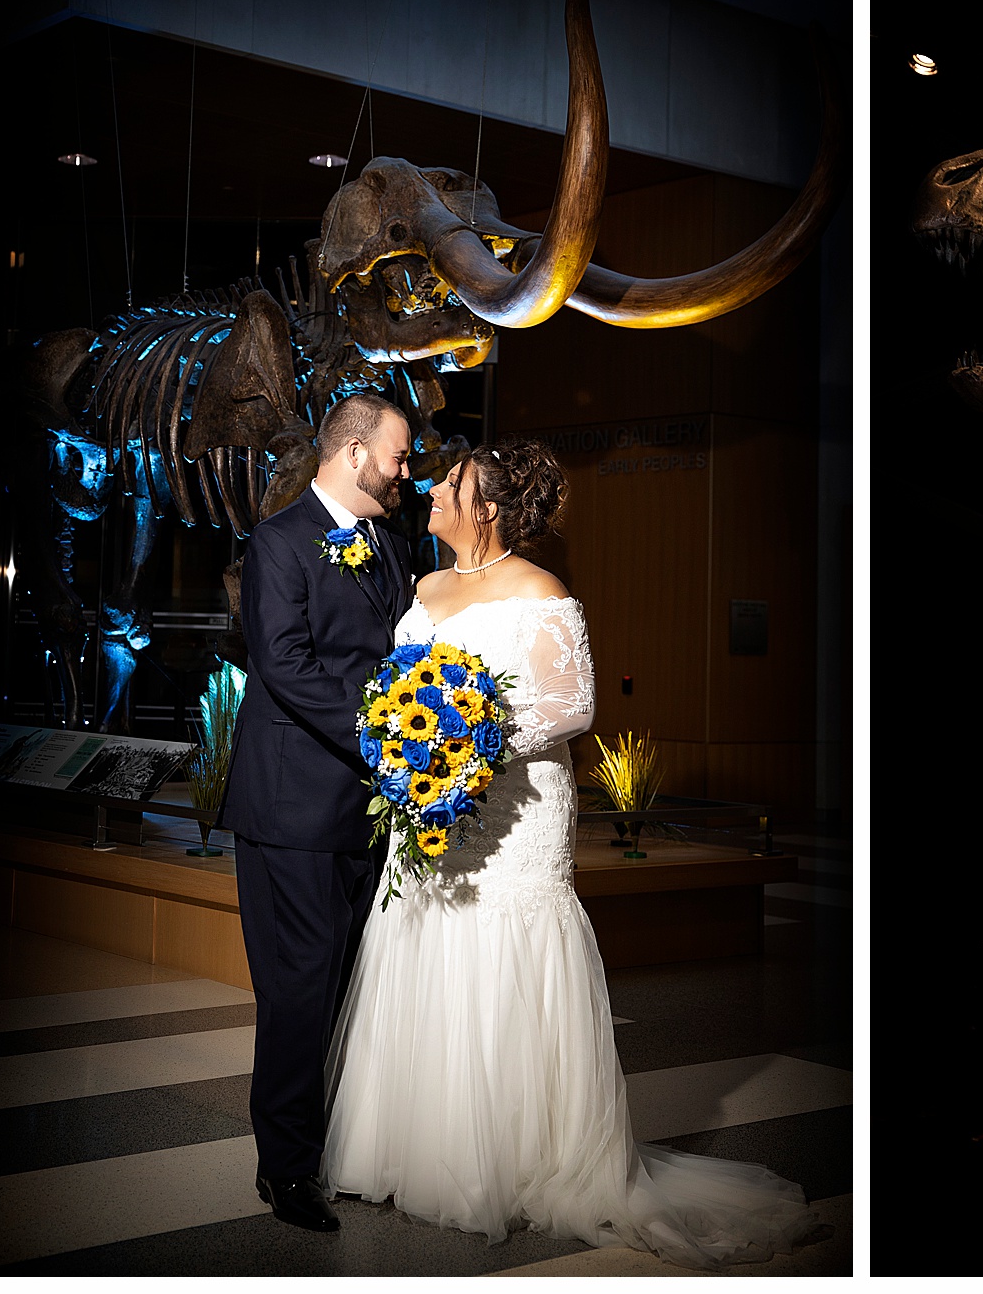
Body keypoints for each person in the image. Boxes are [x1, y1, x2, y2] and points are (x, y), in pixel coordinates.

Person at [319, 437, 817, 1268]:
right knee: (426, 940)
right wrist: (413, 752)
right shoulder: (425, 585)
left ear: (487, 507)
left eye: (451, 482)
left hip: (513, 810)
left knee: (510, 950)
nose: (433, 489)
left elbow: (571, 706)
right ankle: (418, 1149)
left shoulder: (542, 591)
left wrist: (462, 740)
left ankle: (516, 1158)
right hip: (431, 811)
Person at [218, 394, 415, 1232]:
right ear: (354, 450)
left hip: (362, 811)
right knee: (297, 992)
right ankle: (286, 1170)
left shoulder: (387, 545)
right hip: (294, 806)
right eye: (399, 456)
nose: (409, 471)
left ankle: (333, 1144)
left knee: (340, 989)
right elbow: (288, 667)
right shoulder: (279, 541)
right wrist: (394, 731)